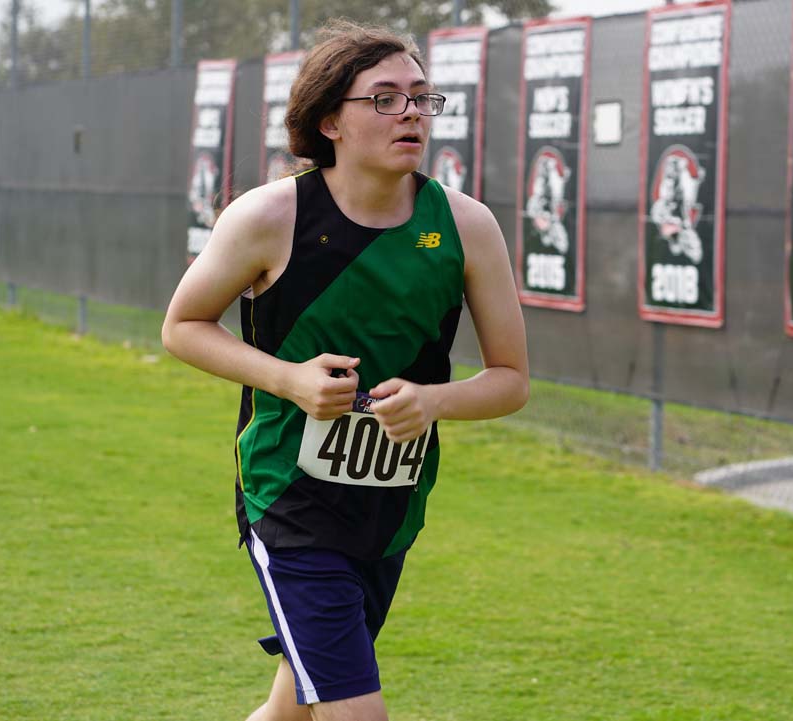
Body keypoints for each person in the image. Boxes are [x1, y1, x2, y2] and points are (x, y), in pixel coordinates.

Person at [161, 19, 529, 721]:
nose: (412, 112)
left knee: (291, 711)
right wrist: (290, 379)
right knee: (355, 711)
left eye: (422, 97)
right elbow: (182, 326)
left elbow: (511, 378)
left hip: (392, 507)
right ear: (330, 118)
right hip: (288, 499)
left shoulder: (465, 226)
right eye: (385, 99)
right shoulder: (271, 216)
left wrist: (435, 401)